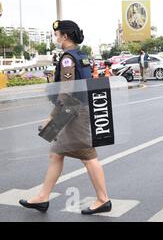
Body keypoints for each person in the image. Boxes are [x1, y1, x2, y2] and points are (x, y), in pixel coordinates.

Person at [19, 20, 112, 215]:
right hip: (76, 108)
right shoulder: (82, 55)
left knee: (88, 155)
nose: (56, 38)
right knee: (56, 153)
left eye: (57, 34)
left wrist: (51, 117)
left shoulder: (68, 58)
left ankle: (103, 199)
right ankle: (43, 198)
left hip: (73, 110)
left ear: (65, 36)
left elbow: (66, 91)